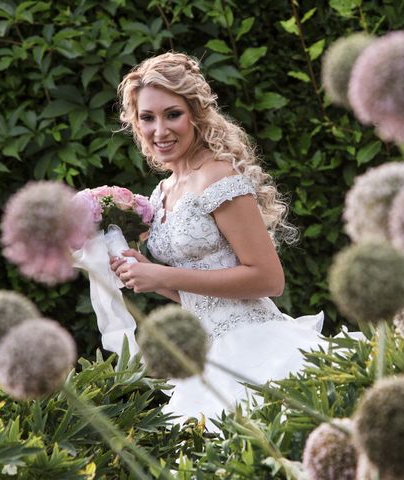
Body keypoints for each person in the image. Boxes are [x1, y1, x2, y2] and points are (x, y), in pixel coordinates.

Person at [110, 52, 325, 427]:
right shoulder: (162, 191)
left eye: (172, 114)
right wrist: (147, 273)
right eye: (147, 117)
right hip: (204, 357)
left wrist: (164, 277)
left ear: (195, 113)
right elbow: (201, 296)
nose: (159, 130)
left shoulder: (218, 177)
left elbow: (268, 280)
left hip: (253, 344)